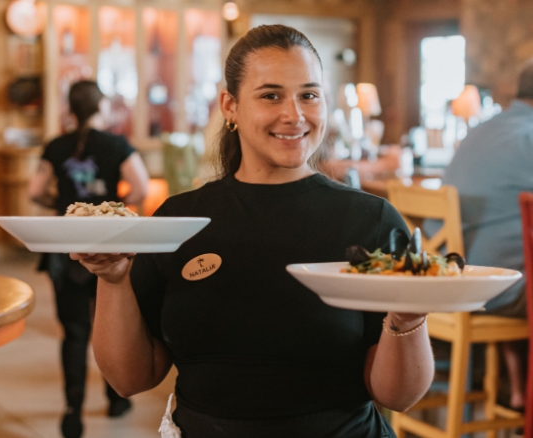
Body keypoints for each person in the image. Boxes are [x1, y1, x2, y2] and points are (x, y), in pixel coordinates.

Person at [71, 26, 434, 438]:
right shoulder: (179, 220)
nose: (294, 114)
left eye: (309, 95)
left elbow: (397, 396)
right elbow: (130, 379)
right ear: (230, 105)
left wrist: (407, 318)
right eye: (271, 95)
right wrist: (113, 280)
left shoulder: (371, 220)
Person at [28, 80, 149, 438]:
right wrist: (110, 205)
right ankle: (116, 399)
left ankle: (71, 414)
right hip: (110, 245)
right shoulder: (117, 145)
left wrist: (64, 207)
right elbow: (140, 189)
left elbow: (35, 191)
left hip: (67, 249)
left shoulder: (56, 145)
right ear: (101, 108)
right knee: (112, 323)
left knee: (75, 331)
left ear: (70, 109)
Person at [426, 63, 533, 424]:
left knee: (513, 254)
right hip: (493, 288)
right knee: (517, 265)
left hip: (452, 278)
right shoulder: (529, 136)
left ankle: (518, 392)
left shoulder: (484, 129)